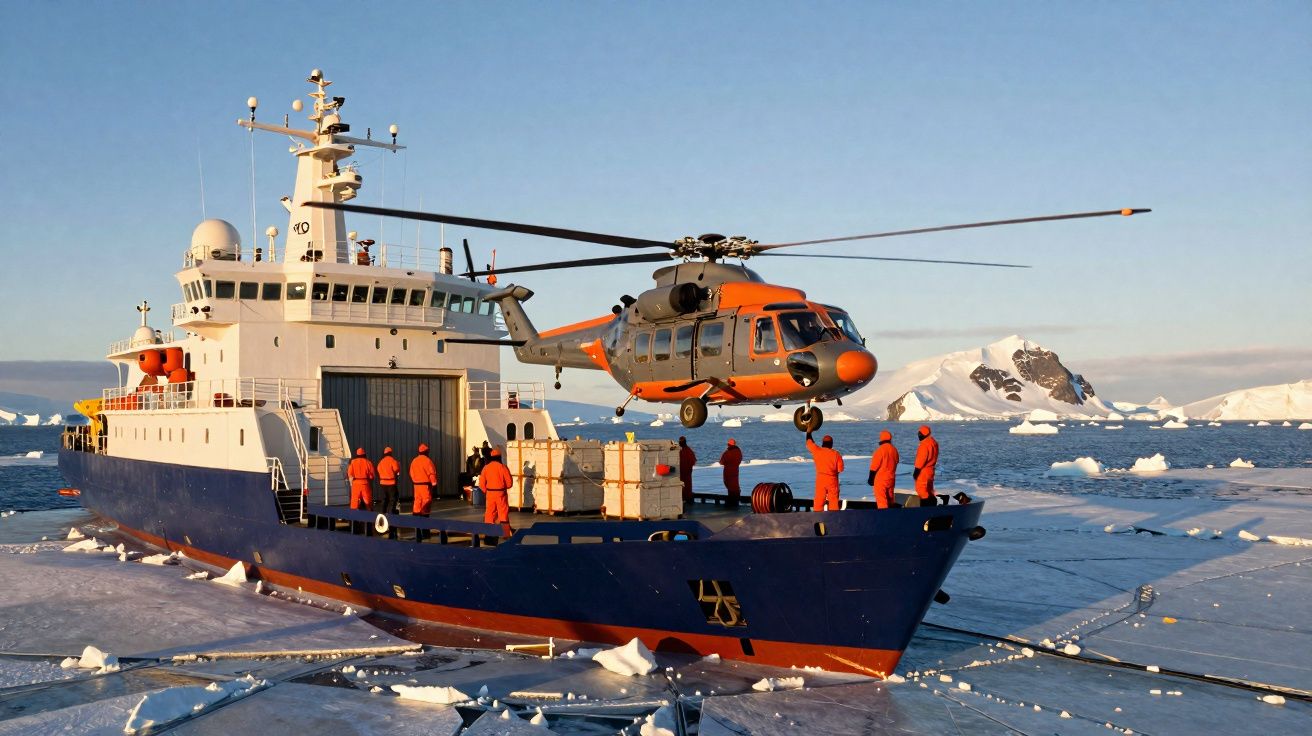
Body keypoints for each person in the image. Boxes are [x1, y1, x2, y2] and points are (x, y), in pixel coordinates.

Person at [479, 447, 515, 537]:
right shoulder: (503, 467)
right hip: (501, 494)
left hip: (490, 494)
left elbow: (481, 484)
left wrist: (486, 491)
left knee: (489, 514)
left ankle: (489, 535)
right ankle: (506, 535)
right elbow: (509, 483)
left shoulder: (486, 468)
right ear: (499, 457)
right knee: (503, 514)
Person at [805, 432, 844, 511]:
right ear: (831, 444)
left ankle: (818, 517)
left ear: (823, 443)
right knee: (833, 501)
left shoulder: (817, 451)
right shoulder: (836, 454)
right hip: (832, 480)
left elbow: (809, 442)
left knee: (819, 500)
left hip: (821, 479)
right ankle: (833, 518)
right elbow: (840, 469)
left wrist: (809, 432)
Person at [409, 443, 438, 539]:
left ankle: (417, 532)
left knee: (417, 507)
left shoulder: (414, 461)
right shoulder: (428, 461)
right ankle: (425, 533)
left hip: (416, 486)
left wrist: (416, 481)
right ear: (426, 452)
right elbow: (431, 474)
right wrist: (434, 486)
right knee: (425, 508)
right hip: (425, 486)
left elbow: (411, 473)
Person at [867, 430, 900, 509]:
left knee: (881, 499)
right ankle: (892, 514)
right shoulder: (894, 450)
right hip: (891, 478)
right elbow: (897, 461)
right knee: (890, 498)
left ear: (881, 438)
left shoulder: (880, 450)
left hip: (881, 479)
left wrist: (871, 478)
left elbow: (874, 466)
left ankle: (884, 516)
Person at [913, 425, 940, 506]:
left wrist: (916, 471)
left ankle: (925, 508)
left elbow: (921, 459)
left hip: (923, 471)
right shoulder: (934, 442)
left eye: (919, 433)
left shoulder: (924, 445)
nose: (918, 435)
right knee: (929, 490)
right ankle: (933, 506)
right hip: (931, 470)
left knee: (921, 491)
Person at [347, 447, 375, 512]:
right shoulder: (368, 462)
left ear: (357, 454)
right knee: (368, 501)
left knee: (354, 502)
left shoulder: (353, 462)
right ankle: (369, 517)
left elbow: (349, 473)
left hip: (355, 484)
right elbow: (372, 476)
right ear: (364, 454)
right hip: (365, 484)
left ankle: (353, 519)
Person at [376, 446, 401, 515]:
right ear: (390, 453)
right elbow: (396, 470)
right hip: (391, 483)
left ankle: (382, 513)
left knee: (384, 499)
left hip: (383, 483)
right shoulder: (393, 461)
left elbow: (378, 470)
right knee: (393, 499)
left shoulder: (381, 462)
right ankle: (392, 513)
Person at [719, 439, 743, 508]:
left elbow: (721, 461)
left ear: (728, 444)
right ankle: (735, 500)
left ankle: (731, 501)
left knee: (729, 485)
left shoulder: (728, 452)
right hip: (735, 470)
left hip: (728, 471)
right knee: (735, 485)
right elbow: (740, 459)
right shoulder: (739, 451)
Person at [678, 436, 696, 506]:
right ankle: (687, 499)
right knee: (687, 486)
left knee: (681, 486)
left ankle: (683, 499)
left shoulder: (678, 450)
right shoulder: (689, 450)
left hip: (681, 472)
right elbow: (693, 461)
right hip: (687, 472)